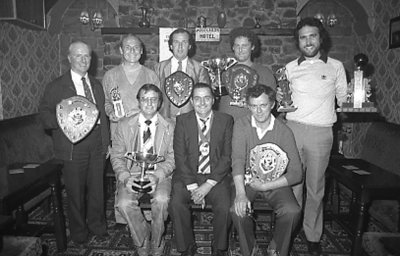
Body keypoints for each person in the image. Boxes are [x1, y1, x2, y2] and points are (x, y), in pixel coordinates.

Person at [284, 17, 347, 255]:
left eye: (312, 36)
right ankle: (289, 230)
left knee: (315, 188)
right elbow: (283, 100)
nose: (308, 41)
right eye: (303, 37)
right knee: (293, 185)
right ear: (297, 42)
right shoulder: (289, 68)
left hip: (321, 133)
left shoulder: (336, 66)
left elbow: (344, 99)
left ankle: (312, 235)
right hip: (293, 130)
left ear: (321, 38)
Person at [39, 41, 110, 246]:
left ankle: (98, 227)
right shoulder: (57, 85)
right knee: (75, 191)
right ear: (69, 58)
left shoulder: (96, 84)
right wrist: (62, 122)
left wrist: (106, 143)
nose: (83, 60)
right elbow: (44, 114)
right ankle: (79, 233)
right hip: (72, 145)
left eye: (87, 56)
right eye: (78, 56)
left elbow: (102, 117)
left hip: (96, 142)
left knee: (98, 189)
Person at [231, 84, 302, 256]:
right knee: (236, 210)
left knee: (292, 210)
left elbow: (296, 173)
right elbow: (238, 160)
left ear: (272, 105)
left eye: (263, 105)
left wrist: (265, 186)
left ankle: (276, 247)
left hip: (275, 181)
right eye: (254, 106)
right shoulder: (241, 125)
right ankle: (250, 249)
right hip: (248, 180)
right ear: (248, 106)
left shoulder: (284, 131)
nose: (259, 111)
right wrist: (241, 194)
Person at [169, 83, 233, 256]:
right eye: (197, 98)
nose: (202, 102)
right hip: (188, 175)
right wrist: (192, 187)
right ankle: (186, 246)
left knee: (225, 204)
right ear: (191, 101)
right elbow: (180, 156)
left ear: (213, 100)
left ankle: (219, 246)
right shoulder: (182, 121)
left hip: (215, 176)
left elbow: (227, 157)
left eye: (206, 98)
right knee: (176, 202)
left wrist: (207, 186)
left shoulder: (226, 120)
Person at [110, 84, 175, 256]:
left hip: (159, 174)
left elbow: (173, 157)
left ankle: (157, 240)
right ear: (138, 102)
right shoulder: (123, 125)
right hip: (131, 174)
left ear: (160, 103)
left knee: (161, 199)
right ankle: (143, 237)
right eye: (144, 99)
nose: (149, 103)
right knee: (123, 203)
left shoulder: (170, 126)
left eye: (154, 99)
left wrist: (158, 176)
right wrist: (124, 177)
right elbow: (116, 156)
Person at [103, 34, 160, 141]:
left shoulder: (151, 76)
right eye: (127, 48)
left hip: (145, 132)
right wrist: (111, 112)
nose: (132, 51)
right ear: (121, 50)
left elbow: (158, 104)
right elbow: (106, 102)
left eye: (136, 47)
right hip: (118, 133)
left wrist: (140, 114)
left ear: (141, 50)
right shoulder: (110, 76)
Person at [217, 27, 277, 120]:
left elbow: (272, 104)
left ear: (252, 47)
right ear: (233, 47)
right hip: (225, 125)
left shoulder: (265, 73)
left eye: (244, 46)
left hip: (252, 127)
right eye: (237, 46)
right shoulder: (222, 71)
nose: (240, 50)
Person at [153, 28, 210, 119]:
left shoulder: (199, 68)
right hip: (165, 119)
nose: (180, 46)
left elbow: (206, 96)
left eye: (184, 42)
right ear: (171, 46)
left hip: (190, 119)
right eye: (176, 42)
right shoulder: (159, 68)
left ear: (190, 46)